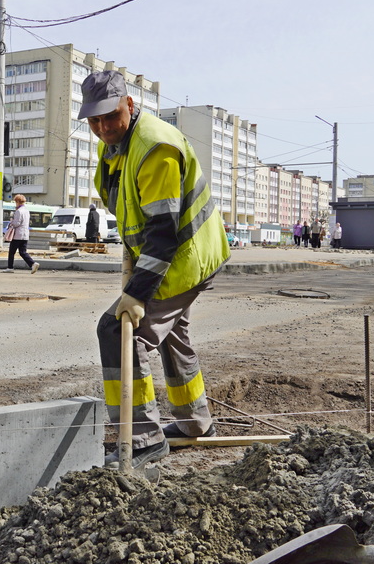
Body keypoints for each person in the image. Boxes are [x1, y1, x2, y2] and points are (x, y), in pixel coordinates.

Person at [79, 71, 230, 469]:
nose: (103, 128)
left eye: (110, 117)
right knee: (172, 334)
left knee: (118, 330)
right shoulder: (116, 146)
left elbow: (162, 232)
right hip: (178, 252)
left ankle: (143, 438)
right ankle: (196, 423)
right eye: (94, 121)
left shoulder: (154, 147)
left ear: (129, 105)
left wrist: (137, 294)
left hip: (183, 256)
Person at [4, 194, 40, 273]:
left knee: (11, 252)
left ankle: (10, 267)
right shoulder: (27, 211)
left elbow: (17, 223)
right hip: (25, 235)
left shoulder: (18, 211)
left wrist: (11, 223)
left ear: (17, 201)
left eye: (15, 201)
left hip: (17, 235)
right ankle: (33, 264)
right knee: (23, 252)